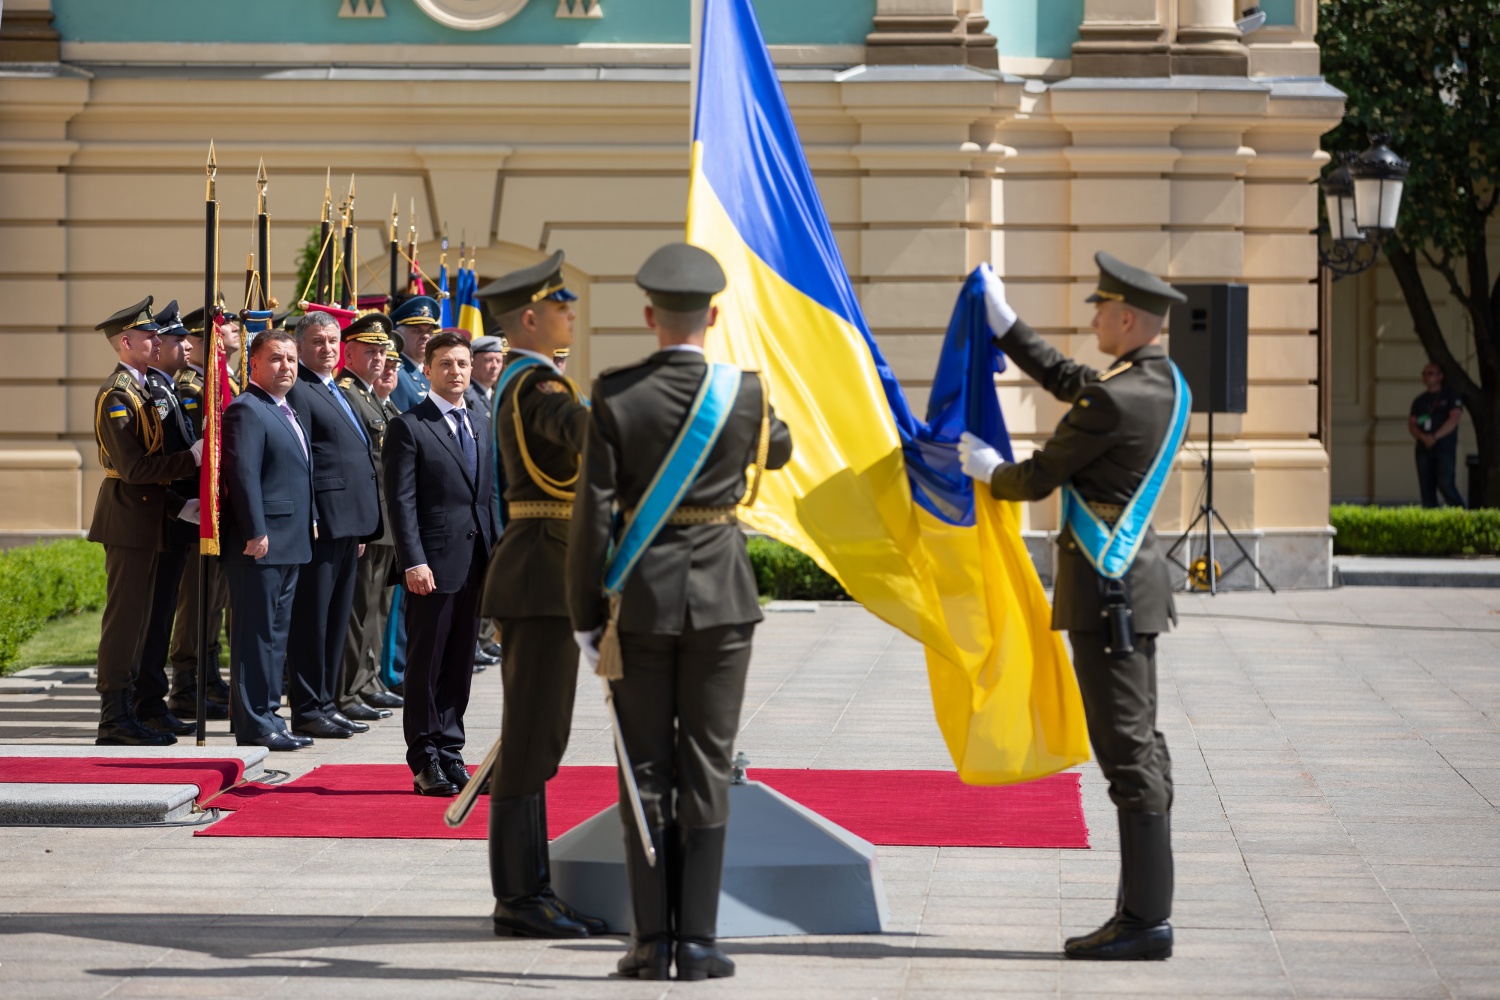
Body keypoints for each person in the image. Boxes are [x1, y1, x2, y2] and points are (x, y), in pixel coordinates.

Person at [569, 244, 793, 980]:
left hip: (641, 602)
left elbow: (592, 517)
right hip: (723, 600)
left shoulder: (616, 393)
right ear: (714, 316)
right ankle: (697, 940)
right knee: (707, 763)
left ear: (649, 316)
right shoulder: (746, 393)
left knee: (643, 768)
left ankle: (650, 942)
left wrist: (585, 615)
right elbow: (781, 450)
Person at [958, 252, 1187, 961]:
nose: (1093, 322)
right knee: (1142, 747)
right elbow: (1071, 380)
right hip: (1133, 590)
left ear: (1128, 319)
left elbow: (1038, 478)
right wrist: (1007, 326)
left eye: (1101, 311)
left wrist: (991, 472)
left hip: (1105, 594)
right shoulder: (1160, 382)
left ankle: (1144, 922)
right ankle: (1142, 913)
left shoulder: (1115, 399)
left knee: (1127, 756)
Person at [475, 251, 604, 939]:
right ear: (529, 318)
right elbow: (586, 436)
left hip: (547, 568)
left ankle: (534, 889)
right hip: (541, 571)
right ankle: (520, 898)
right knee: (532, 739)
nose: (571, 313)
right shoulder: (536, 385)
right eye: (561, 303)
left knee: (539, 735)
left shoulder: (531, 381)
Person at [382, 330, 498, 796]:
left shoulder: (481, 423)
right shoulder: (409, 426)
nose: (456, 371)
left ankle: (451, 752)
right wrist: (413, 561)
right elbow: (401, 502)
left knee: (459, 665)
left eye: (463, 363)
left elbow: (488, 498)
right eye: (446, 363)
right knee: (425, 665)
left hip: (475, 562)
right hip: (431, 566)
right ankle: (425, 759)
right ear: (427, 369)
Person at [88, 296, 203, 746]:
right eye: (149, 335)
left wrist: (178, 505)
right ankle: (114, 718)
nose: (158, 341)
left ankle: (133, 710)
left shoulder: (143, 388)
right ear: (125, 342)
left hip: (148, 515)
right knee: (126, 621)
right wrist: (191, 459)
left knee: (142, 621)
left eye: (158, 335)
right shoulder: (118, 394)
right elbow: (135, 470)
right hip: (127, 518)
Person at [284, 310, 384, 741]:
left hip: (349, 523)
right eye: (317, 342)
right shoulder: (300, 389)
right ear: (300, 347)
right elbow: (302, 460)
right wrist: (311, 515)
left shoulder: (333, 388)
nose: (327, 348)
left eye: (332, 341)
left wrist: (360, 525)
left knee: (337, 620)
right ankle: (308, 708)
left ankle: (326, 702)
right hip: (323, 522)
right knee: (313, 620)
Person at [220, 328, 316, 752]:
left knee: (276, 636)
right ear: (254, 364)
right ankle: (254, 724)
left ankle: (271, 716)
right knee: (255, 637)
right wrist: (255, 529)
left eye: (291, 359)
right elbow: (243, 474)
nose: (286, 366)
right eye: (276, 358)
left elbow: (298, 472)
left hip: (289, 538)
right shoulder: (247, 409)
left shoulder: (284, 408)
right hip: (260, 542)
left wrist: (312, 518)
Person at [131, 300, 201, 738]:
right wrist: (178, 502)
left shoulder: (167, 387)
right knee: (152, 617)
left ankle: (153, 700)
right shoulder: (153, 392)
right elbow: (153, 463)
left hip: (176, 516)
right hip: (159, 517)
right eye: (177, 340)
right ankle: (146, 702)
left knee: (162, 615)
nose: (185, 346)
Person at [166, 306, 235, 721]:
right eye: (227, 328)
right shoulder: (192, 388)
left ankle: (207, 676)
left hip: (216, 510)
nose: (235, 332)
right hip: (196, 510)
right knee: (197, 602)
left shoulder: (218, 382)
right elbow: (195, 452)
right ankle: (186, 684)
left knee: (214, 600)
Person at [335, 312, 405, 719]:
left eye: (382, 353)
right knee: (359, 610)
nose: (379, 359)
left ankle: (369, 678)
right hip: (369, 521)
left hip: (386, 522)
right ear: (349, 354)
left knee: (377, 608)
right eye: (370, 352)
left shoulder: (373, 397)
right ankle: (350, 688)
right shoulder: (348, 394)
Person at [1410, 363, 1465, 508]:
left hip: (1444, 448)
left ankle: (1461, 514)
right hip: (1423, 449)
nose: (1426, 376)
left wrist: (1434, 437)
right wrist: (1423, 437)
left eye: (1430, 373)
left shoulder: (1450, 395)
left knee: (1445, 484)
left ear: (1440, 376)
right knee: (1426, 488)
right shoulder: (1419, 400)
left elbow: (1454, 419)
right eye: (1424, 373)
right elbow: (1413, 423)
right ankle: (1431, 517)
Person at [388, 295, 439, 411]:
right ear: (398, 335)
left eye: (430, 331)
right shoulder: (395, 374)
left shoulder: (430, 371)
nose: (425, 336)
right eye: (417, 331)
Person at [464, 335, 505, 416]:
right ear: (472, 362)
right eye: (488, 360)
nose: (495, 366)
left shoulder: (496, 394)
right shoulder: (464, 396)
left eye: (498, 361)